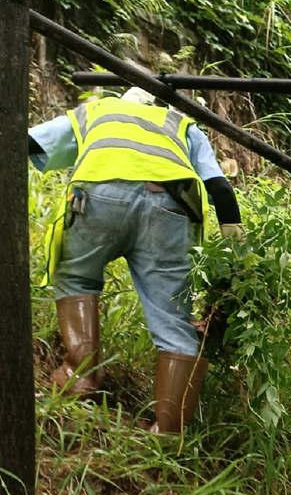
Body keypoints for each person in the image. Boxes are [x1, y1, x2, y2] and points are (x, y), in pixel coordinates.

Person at [29, 87, 243, 433]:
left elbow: (27, 143)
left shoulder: (98, 111)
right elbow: (220, 187)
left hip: (98, 200)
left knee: (76, 279)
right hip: (169, 211)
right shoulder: (181, 124)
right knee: (174, 320)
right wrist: (238, 254)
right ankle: (168, 431)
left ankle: (79, 379)